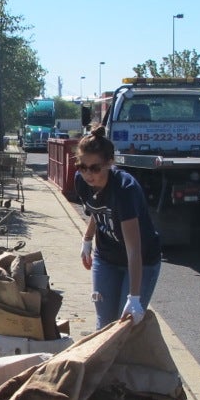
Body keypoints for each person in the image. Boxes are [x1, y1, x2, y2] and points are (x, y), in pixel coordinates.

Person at [74, 126, 161, 331]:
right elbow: (98, 209)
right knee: (104, 324)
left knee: (123, 328)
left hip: (142, 261)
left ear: (110, 163)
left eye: (95, 168)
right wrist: (87, 239)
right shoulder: (82, 181)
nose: (88, 174)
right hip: (106, 259)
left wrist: (135, 297)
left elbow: (134, 251)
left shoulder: (125, 190)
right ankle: (103, 363)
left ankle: (125, 362)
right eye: (82, 166)